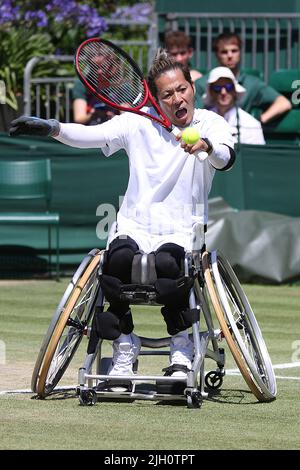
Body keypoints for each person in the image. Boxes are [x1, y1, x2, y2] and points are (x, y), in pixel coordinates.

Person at [9, 51, 235, 387]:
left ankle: (181, 348)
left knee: (169, 268)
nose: (177, 98)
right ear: (155, 98)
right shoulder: (137, 121)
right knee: (115, 265)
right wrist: (52, 128)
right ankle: (124, 345)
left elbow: (226, 158)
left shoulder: (212, 124)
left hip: (181, 228)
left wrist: (205, 146)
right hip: (134, 224)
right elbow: (90, 135)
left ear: (192, 87)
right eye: (167, 94)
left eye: (182, 89)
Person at [195, 32, 292, 124]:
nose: (230, 56)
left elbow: (283, 103)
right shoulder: (202, 83)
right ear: (217, 54)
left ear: (240, 52)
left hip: (239, 135)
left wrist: (257, 122)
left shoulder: (252, 83)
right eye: (224, 52)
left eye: (234, 51)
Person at [204, 66, 266, 145]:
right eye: (217, 88)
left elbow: (256, 155)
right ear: (211, 92)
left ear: (234, 90)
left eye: (228, 87)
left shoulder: (251, 124)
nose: (223, 92)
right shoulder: (203, 120)